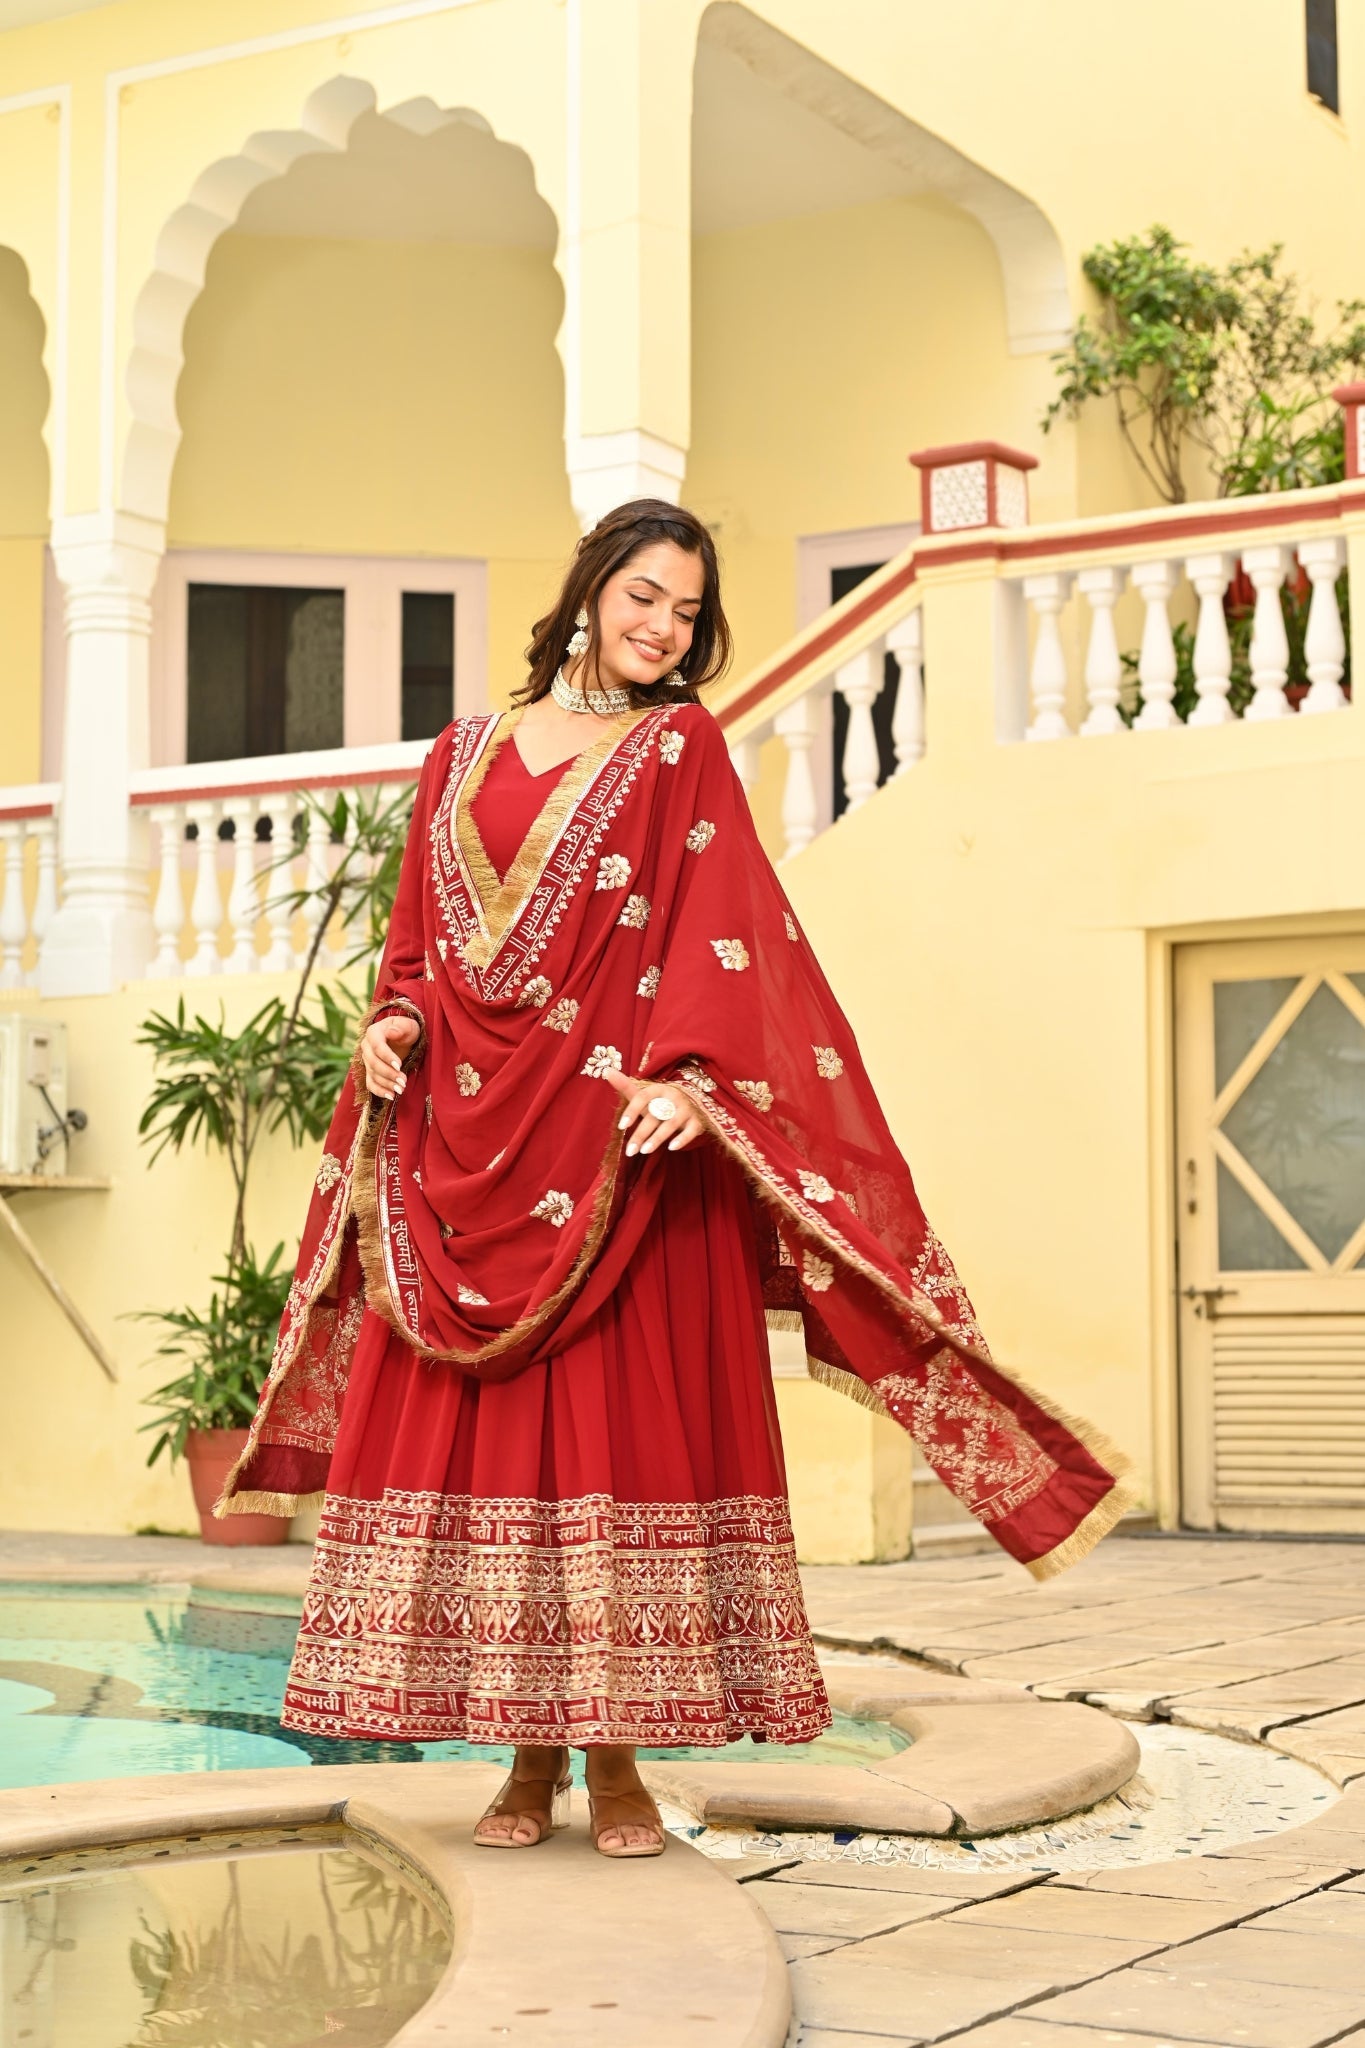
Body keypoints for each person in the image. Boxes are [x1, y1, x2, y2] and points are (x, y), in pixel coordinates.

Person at [220, 500, 1132, 1858]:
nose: (661, 628)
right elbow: (418, 949)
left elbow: (729, 937)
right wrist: (392, 1027)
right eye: (642, 596)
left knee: (603, 1451)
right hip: (458, 1158)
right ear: (589, 589)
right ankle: (523, 1772)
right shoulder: (459, 751)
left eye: (686, 613)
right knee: (500, 1473)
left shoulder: (677, 749)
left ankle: (621, 1767)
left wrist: (688, 1084)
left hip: (613, 1166)